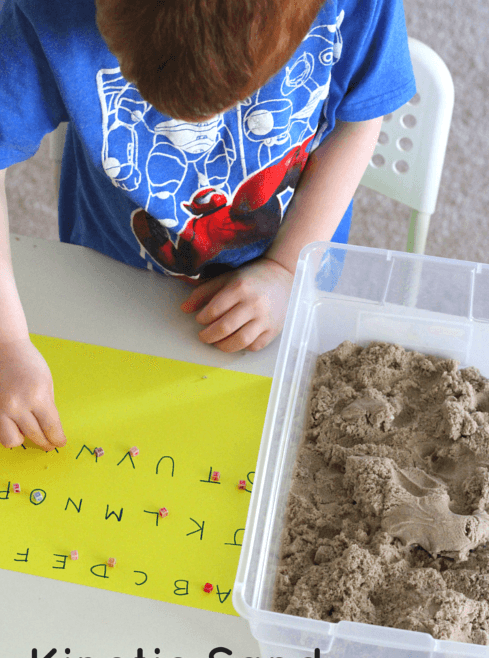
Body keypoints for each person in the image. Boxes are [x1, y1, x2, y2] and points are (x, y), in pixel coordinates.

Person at [0, 0, 416, 451]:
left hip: (291, 276)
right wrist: (6, 343)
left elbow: (356, 122)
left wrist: (287, 270)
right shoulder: (41, 11)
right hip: (110, 273)